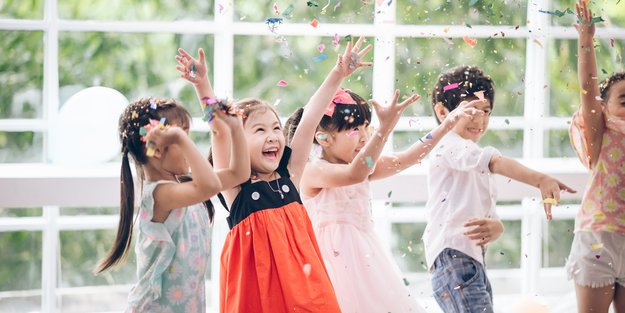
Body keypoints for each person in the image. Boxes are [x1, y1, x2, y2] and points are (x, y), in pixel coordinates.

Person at [175, 37, 372, 312]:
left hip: (308, 292)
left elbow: (310, 119)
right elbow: (218, 128)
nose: (273, 137)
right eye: (260, 130)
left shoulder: (291, 174)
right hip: (259, 299)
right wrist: (202, 85)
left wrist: (338, 73)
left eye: (276, 128)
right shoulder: (235, 186)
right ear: (237, 142)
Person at [284, 80, 480, 311]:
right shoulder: (315, 170)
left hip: (367, 258)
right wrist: (384, 129)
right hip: (330, 262)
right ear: (324, 138)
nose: (365, 137)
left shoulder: (364, 166)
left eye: (367, 126)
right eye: (354, 129)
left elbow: (406, 158)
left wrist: (446, 126)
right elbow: (355, 173)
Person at [425, 65, 576, 313]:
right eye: (471, 110)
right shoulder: (448, 145)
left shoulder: (468, 155)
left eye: (486, 111)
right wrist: (539, 180)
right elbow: (493, 161)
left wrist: (496, 226)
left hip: (469, 259)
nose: (480, 119)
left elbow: (478, 202)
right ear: (443, 112)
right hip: (454, 257)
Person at [93, 96, 249, 312]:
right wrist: (178, 138)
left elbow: (239, 173)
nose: (189, 144)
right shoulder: (159, 194)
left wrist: (236, 128)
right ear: (156, 150)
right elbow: (211, 186)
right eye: (181, 137)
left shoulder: (186, 185)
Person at [566, 1, 625, 312]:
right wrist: (586, 41)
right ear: (605, 108)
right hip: (598, 239)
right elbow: (588, 90)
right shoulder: (602, 133)